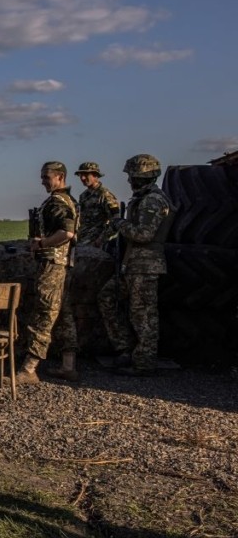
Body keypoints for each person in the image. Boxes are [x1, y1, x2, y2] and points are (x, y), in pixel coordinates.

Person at [97, 154, 174, 376]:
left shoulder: (152, 200)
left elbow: (144, 234)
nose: (130, 181)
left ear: (142, 176)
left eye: (132, 176)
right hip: (131, 264)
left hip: (145, 266)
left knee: (143, 315)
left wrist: (119, 223)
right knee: (107, 298)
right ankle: (125, 348)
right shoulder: (141, 198)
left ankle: (144, 362)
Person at [18, 162, 80, 385]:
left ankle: (29, 368)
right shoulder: (70, 200)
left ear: (60, 177)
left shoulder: (57, 202)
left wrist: (42, 242)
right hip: (64, 263)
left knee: (44, 313)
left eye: (47, 177)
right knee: (64, 315)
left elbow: (67, 232)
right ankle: (68, 365)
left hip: (53, 263)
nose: (43, 181)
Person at [74, 162, 120, 248]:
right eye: (81, 175)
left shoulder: (105, 195)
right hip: (83, 241)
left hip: (98, 244)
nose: (82, 178)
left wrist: (100, 239)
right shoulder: (83, 196)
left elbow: (115, 220)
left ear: (95, 176)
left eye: (86, 175)